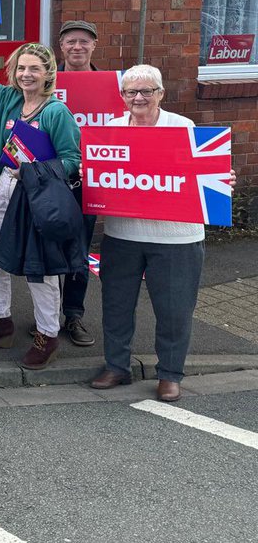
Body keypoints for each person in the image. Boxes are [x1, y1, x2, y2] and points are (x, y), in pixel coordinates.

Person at [89, 65, 236, 403]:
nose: (138, 98)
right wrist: (91, 171)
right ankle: (116, 366)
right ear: (123, 96)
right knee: (116, 304)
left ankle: (170, 374)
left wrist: (219, 177)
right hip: (122, 234)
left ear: (160, 94)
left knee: (174, 309)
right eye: (131, 92)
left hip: (176, 238)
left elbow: (199, 173)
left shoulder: (182, 127)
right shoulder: (111, 129)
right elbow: (105, 174)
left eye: (146, 91)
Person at [0, 23, 81, 369]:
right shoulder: (12, 99)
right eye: (21, 68)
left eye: (34, 68)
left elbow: (72, 160)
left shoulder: (56, 112)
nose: (26, 74)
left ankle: (47, 334)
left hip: (38, 196)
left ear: (48, 74)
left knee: (39, 269)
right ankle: (0, 323)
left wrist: (33, 169)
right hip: (6, 189)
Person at [55, 18, 103, 348]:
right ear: (61, 47)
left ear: (94, 46)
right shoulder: (46, 80)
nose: (77, 47)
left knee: (79, 250)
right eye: (71, 41)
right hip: (50, 179)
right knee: (44, 250)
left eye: (84, 42)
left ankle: (73, 314)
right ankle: (44, 318)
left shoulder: (111, 86)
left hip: (90, 179)